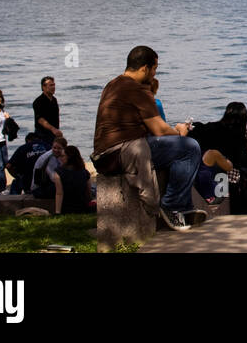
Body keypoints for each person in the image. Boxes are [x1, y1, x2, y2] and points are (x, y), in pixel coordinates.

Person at [92, 45, 205, 231]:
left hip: (104, 155)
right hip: (122, 152)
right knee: (189, 147)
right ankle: (172, 206)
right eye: (154, 69)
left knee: (174, 150)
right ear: (144, 68)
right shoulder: (137, 89)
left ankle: (184, 207)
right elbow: (159, 129)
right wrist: (179, 132)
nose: (154, 74)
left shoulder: (113, 85)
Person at [53, 145, 93, 214]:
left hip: (66, 209)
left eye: (62, 156)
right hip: (82, 208)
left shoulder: (59, 173)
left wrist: (57, 212)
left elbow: (59, 193)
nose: (60, 158)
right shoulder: (85, 173)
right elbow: (88, 192)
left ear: (69, 157)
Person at [32, 76, 61, 146]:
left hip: (54, 133)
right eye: (50, 85)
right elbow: (40, 119)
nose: (53, 87)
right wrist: (53, 129)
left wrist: (56, 131)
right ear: (43, 87)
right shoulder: (38, 101)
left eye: (54, 85)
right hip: (42, 134)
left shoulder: (54, 100)